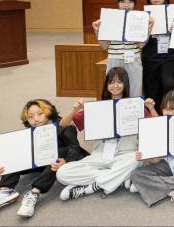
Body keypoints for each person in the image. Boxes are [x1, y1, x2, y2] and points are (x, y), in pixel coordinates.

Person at [56, 67, 158, 200]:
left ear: (125, 84)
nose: (115, 85)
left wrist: (151, 108)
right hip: (99, 155)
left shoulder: (134, 106)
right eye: (111, 82)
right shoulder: (97, 107)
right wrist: (74, 109)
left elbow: (156, 126)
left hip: (124, 155)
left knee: (136, 159)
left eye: (119, 82)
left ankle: (90, 187)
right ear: (106, 85)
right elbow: (63, 125)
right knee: (62, 173)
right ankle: (117, 179)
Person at [0, 100, 88, 217]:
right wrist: (5, 165)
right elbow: (22, 151)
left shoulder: (65, 126)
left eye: (40, 114)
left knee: (58, 152)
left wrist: (65, 161)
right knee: (14, 155)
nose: (35, 119)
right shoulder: (33, 130)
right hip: (42, 161)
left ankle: (34, 192)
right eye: (30, 117)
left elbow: (75, 149)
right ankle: (5, 190)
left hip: (66, 160)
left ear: (49, 112)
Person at [130, 90, 174, 210]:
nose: (169, 113)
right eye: (166, 109)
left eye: (173, 109)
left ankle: (147, 185)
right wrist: (145, 156)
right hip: (166, 164)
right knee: (136, 174)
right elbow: (155, 160)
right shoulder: (162, 121)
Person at [92, 0, 150, 97]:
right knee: (113, 91)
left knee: (135, 90)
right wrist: (97, 31)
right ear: (118, 3)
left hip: (134, 58)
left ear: (134, 3)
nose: (126, 5)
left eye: (130, 2)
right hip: (114, 58)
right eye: (123, 2)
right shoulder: (110, 19)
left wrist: (148, 29)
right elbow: (105, 47)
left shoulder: (139, 19)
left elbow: (141, 45)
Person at [142, 0, 174, 109]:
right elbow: (140, 41)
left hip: (169, 55)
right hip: (150, 55)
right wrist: (147, 29)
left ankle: (171, 111)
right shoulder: (144, 15)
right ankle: (155, 117)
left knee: (169, 83)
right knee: (152, 89)